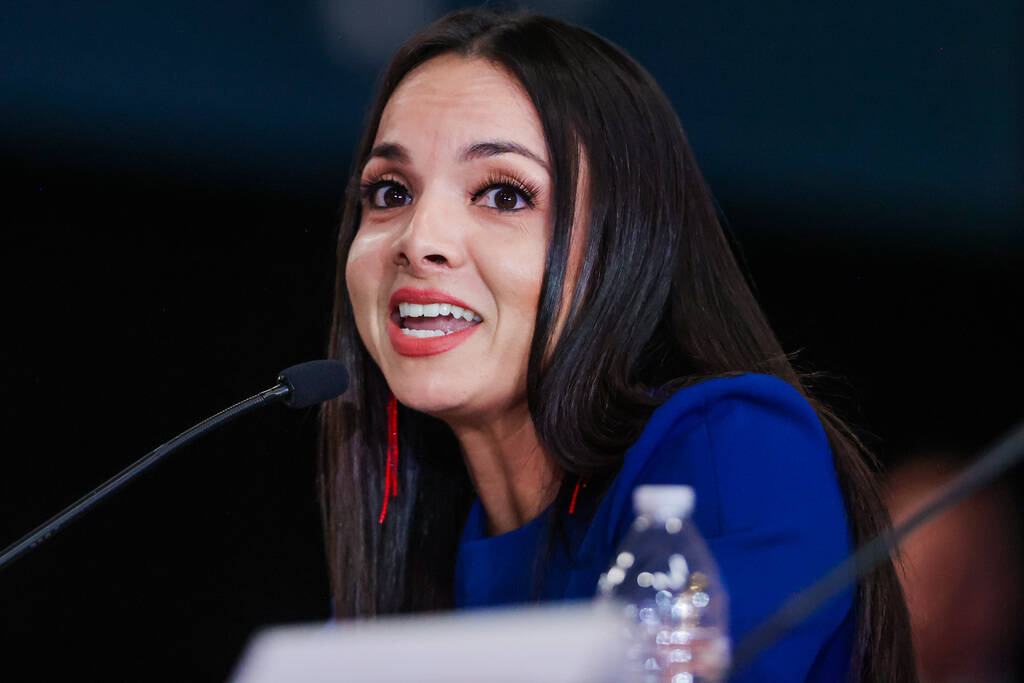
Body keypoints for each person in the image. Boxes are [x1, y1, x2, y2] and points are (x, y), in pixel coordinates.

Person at [320, 8, 916, 681]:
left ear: (621, 244)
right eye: (390, 191)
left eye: (504, 196)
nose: (418, 239)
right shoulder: (412, 541)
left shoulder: (731, 446)